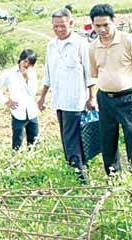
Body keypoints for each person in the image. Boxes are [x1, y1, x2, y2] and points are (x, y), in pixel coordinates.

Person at [37, 7, 95, 183]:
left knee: (72, 137)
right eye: (55, 26)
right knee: (67, 135)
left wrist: (91, 97)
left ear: (71, 23)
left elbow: (89, 73)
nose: (59, 30)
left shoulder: (80, 43)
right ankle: (78, 167)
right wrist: (42, 97)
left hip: (75, 99)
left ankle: (79, 173)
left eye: (62, 26)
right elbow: (48, 74)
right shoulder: (51, 45)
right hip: (59, 100)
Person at [89, 4, 132, 175]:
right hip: (105, 98)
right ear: (93, 25)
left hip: (127, 97)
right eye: (98, 26)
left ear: (113, 21)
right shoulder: (92, 47)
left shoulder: (127, 40)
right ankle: (113, 174)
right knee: (107, 137)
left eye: (106, 25)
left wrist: (131, 86)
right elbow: (94, 73)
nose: (102, 29)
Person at [0, 49, 39, 150]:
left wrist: (27, 79)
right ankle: (15, 160)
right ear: (20, 59)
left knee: (34, 141)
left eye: (30, 63)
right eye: (25, 61)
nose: (26, 65)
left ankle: (31, 158)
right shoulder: (9, 73)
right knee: (17, 141)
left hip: (31, 111)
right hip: (18, 112)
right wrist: (6, 101)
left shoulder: (32, 73)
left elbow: (33, 92)